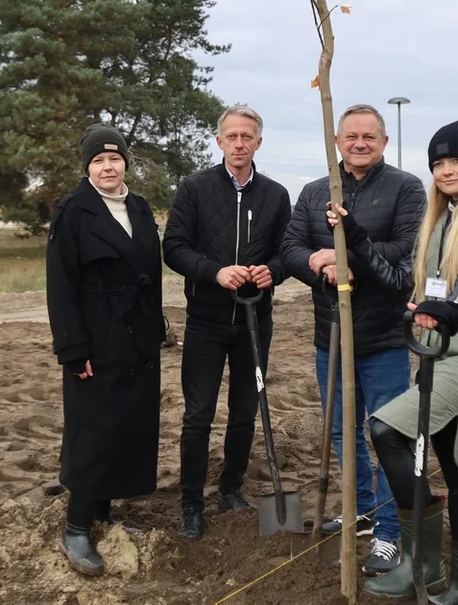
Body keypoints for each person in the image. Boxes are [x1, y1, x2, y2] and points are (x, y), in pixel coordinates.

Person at [326, 118, 458, 602]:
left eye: (456, 160)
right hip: (441, 357)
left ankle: (425, 560)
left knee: (386, 429)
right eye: (438, 163)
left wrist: (453, 306)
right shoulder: (440, 219)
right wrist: (354, 238)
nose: (445, 170)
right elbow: (399, 280)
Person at [280, 103, 427, 575]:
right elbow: (289, 248)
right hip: (331, 336)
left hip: (383, 337)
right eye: (351, 136)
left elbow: (405, 250)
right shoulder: (314, 190)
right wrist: (318, 262)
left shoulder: (406, 188)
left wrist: (348, 257)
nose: (359, 143)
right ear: (337, 141)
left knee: (388, 434)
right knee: (343, 430)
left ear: (383, 142)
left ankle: (388, 530)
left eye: (369, 136)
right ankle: (361, 509)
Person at [162, 104, 293, 541]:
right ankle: (191, 504)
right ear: (219, 141)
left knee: (244, 412)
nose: (239, 144)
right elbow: (174, 247)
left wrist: (272, 271)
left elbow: (286, 251)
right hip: (205, 321)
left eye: (247, 137)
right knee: (198, 416)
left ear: (259, 142)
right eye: (232, 136)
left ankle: (231, 488)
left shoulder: (275, 195)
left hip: (256, 320)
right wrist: (214, 272)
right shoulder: (194, 188)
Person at [45, 124, 165, 576]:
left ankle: (104, 514)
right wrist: (72, 349)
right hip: (95, 341)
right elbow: (61, 287)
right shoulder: (72, 211)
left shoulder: (137, 207)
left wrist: (157, 328)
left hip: (137, 339)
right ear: (87, 167)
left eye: (114, 159)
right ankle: (76, 527)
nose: (107, 166)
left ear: (126, 163)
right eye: (98, 160)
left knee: (127, 427)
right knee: (95, 430)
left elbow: (149, 273)